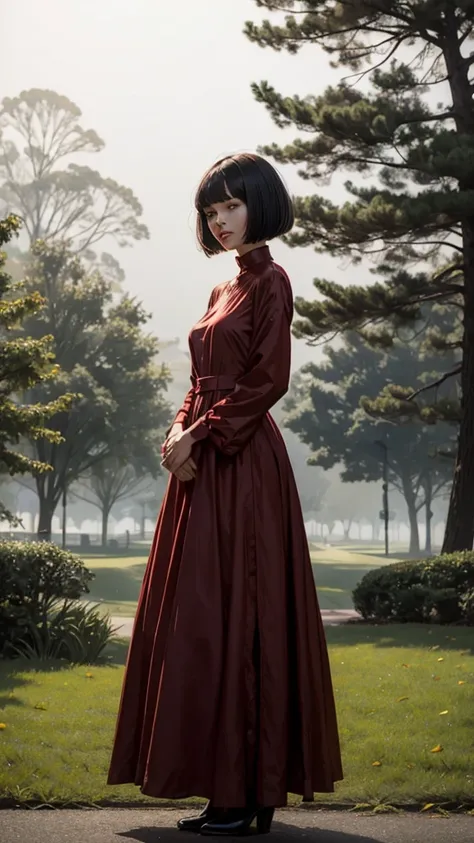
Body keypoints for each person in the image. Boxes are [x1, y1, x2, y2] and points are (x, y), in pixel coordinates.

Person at [107, 152, 343, 836]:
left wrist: (203, 434)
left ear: (259, 205)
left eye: (232, 206)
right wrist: (177, 431)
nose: (222, 220)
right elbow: (199, 380)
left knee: (242, 619)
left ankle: (250, 792)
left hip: (243, 467)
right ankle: (224, 789)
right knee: (201, 625)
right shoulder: (220, 292)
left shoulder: (274, 282)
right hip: (203, 467)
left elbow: (269, 378)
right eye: (213, 212)